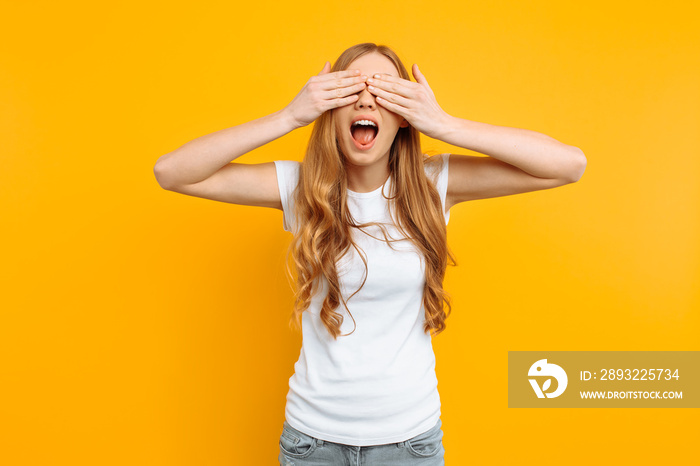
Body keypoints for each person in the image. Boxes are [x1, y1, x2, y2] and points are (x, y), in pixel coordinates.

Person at [153, 42, 586, 465]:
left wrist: (444, 124)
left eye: (384, 93)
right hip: (311, 443)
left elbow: (568, 165)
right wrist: (289, 116)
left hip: (409, 444)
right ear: (330, 112)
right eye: (349, 91)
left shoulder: (434, 183)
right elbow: (171, 172)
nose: (366, 102)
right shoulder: (303, 189)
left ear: (403, 117)